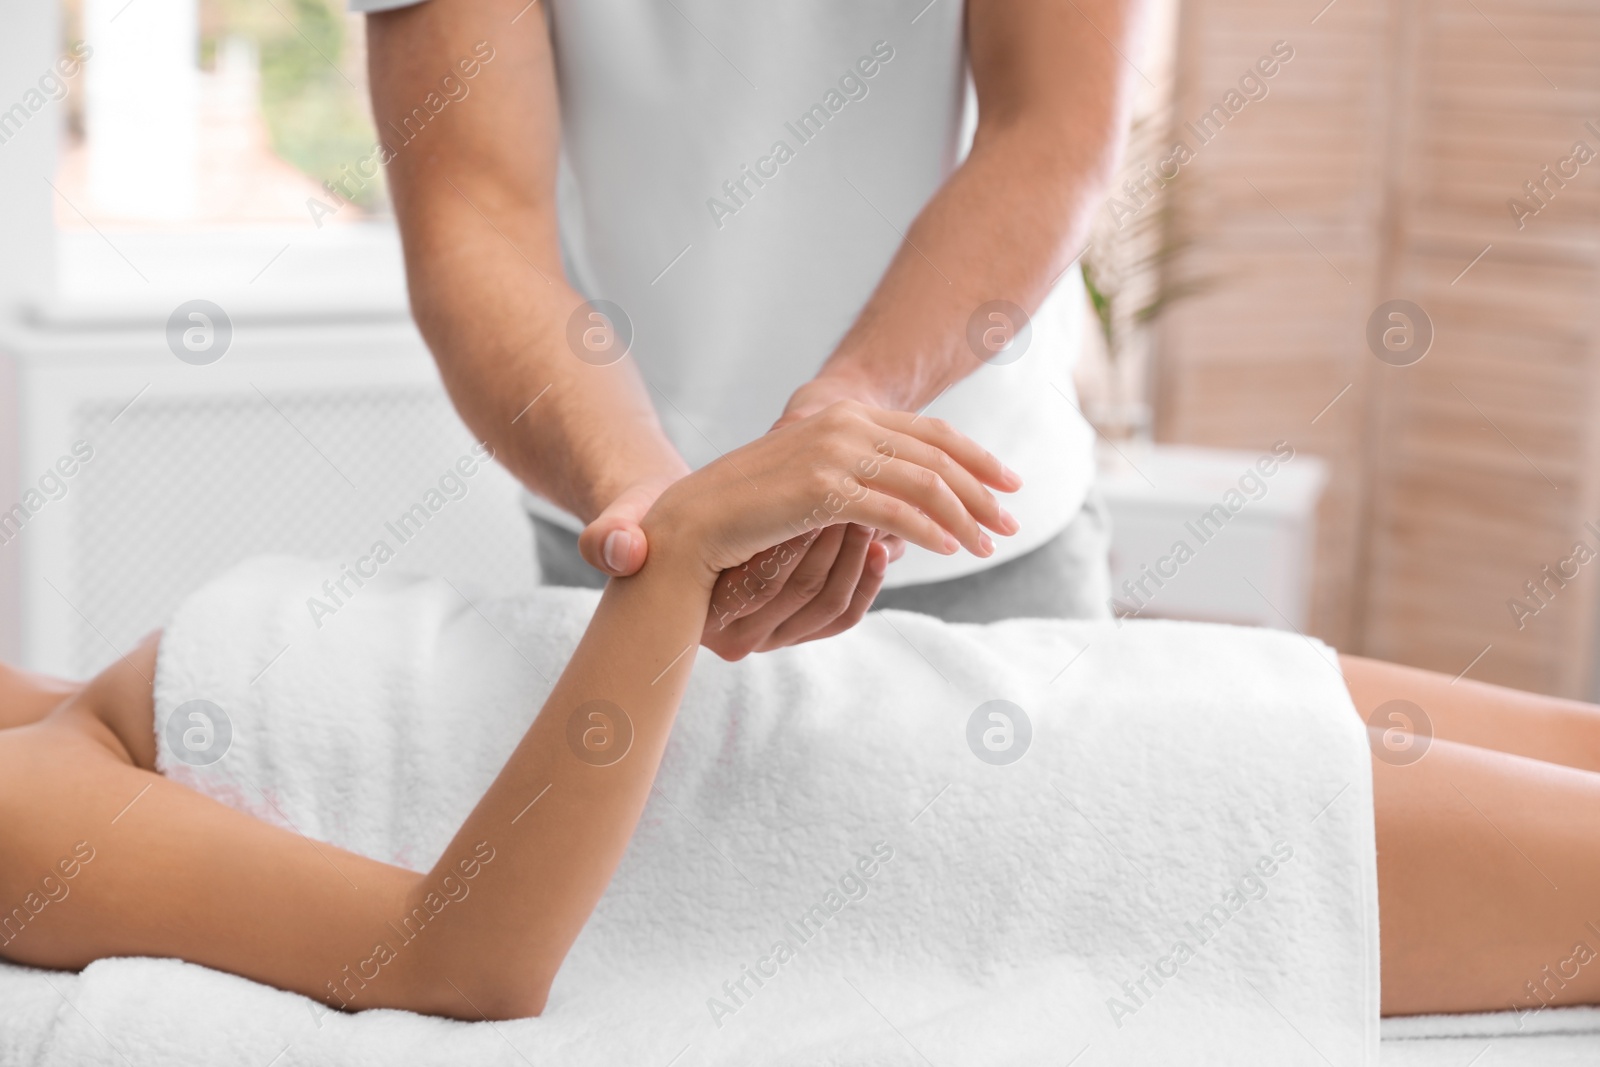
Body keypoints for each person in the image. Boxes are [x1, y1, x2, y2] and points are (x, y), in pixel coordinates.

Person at [5, 400, 1600, 1021]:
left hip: (955, 703)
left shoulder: (57, 702)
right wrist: (683, 555)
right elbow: (456, 953)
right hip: (979, 829)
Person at [357, 0, 1140, 657]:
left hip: (983, 539)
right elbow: (478, 218)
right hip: (626, 540)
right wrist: (650, 503)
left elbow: (1052, 131)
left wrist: (858, 404)